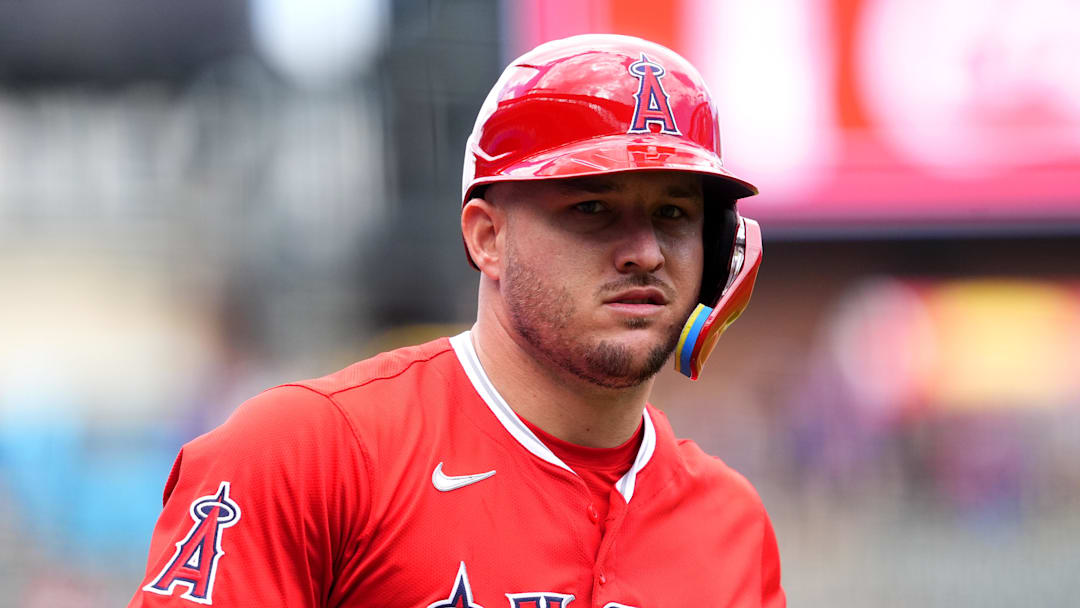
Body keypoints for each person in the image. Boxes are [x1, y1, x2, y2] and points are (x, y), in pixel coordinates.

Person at [129, 34, 784, 607]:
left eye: (673, 213)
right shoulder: (306, 455)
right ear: (486, 237)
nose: (644, 250)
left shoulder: (732, 523)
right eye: (592, 207)